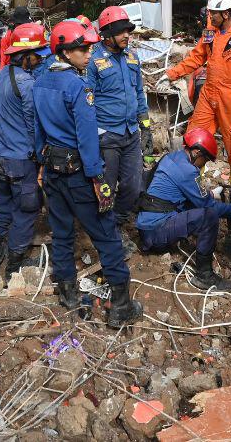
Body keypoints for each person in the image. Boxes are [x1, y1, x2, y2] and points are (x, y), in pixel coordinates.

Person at [34, 19, 143, 328]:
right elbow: (86, 138)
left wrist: (42, 164)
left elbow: (38, 132)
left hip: (53, 170)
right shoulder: (78, 87)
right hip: (80, 173)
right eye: (82, 48)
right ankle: (121, 304)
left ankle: (68, 293)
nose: (88, 52)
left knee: (63, 232)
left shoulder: (41, 80)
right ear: (66, 52)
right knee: (106, 235)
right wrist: (98, 180)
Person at [165, 0, 231, 201]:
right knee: (196, 133)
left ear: (226, 13)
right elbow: (196, 57)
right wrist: (172, 74)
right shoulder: (210, 33)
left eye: (213, 13)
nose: (209, 16)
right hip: (209, 92)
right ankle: (191, 177)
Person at [135, 128, 231, 291]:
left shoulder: (171, 158)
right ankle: (204, 276)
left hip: (146, 225)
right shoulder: (187, 171)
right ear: (196, 152)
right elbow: (209, 206)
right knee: (209, 216)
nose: (204, 165)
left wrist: (208, 194)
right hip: (155, 233)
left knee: (195, 206)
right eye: (205, 160)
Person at [87, 6, 153, 252]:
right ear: (107, 34)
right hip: (107, 136)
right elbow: (87, 99)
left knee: (133, 186)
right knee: (106, 189)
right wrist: (94, 133)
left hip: (130, 133)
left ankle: (117, 223)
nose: (127, 35)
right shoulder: (94, 60)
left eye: (128, 31)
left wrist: (145, 127)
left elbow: (138, 93)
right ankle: (106, 234)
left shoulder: (132, 58)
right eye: (121, 31)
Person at [0, 22, 48, 279]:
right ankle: (14, 264)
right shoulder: (27, 84)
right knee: (27, 209)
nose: (38, 60)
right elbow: (33, 124)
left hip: (2, 156)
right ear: (25, 56)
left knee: (5, 204)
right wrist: (41, 154)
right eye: (36, 56)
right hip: (22, 160)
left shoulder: (2, 76)